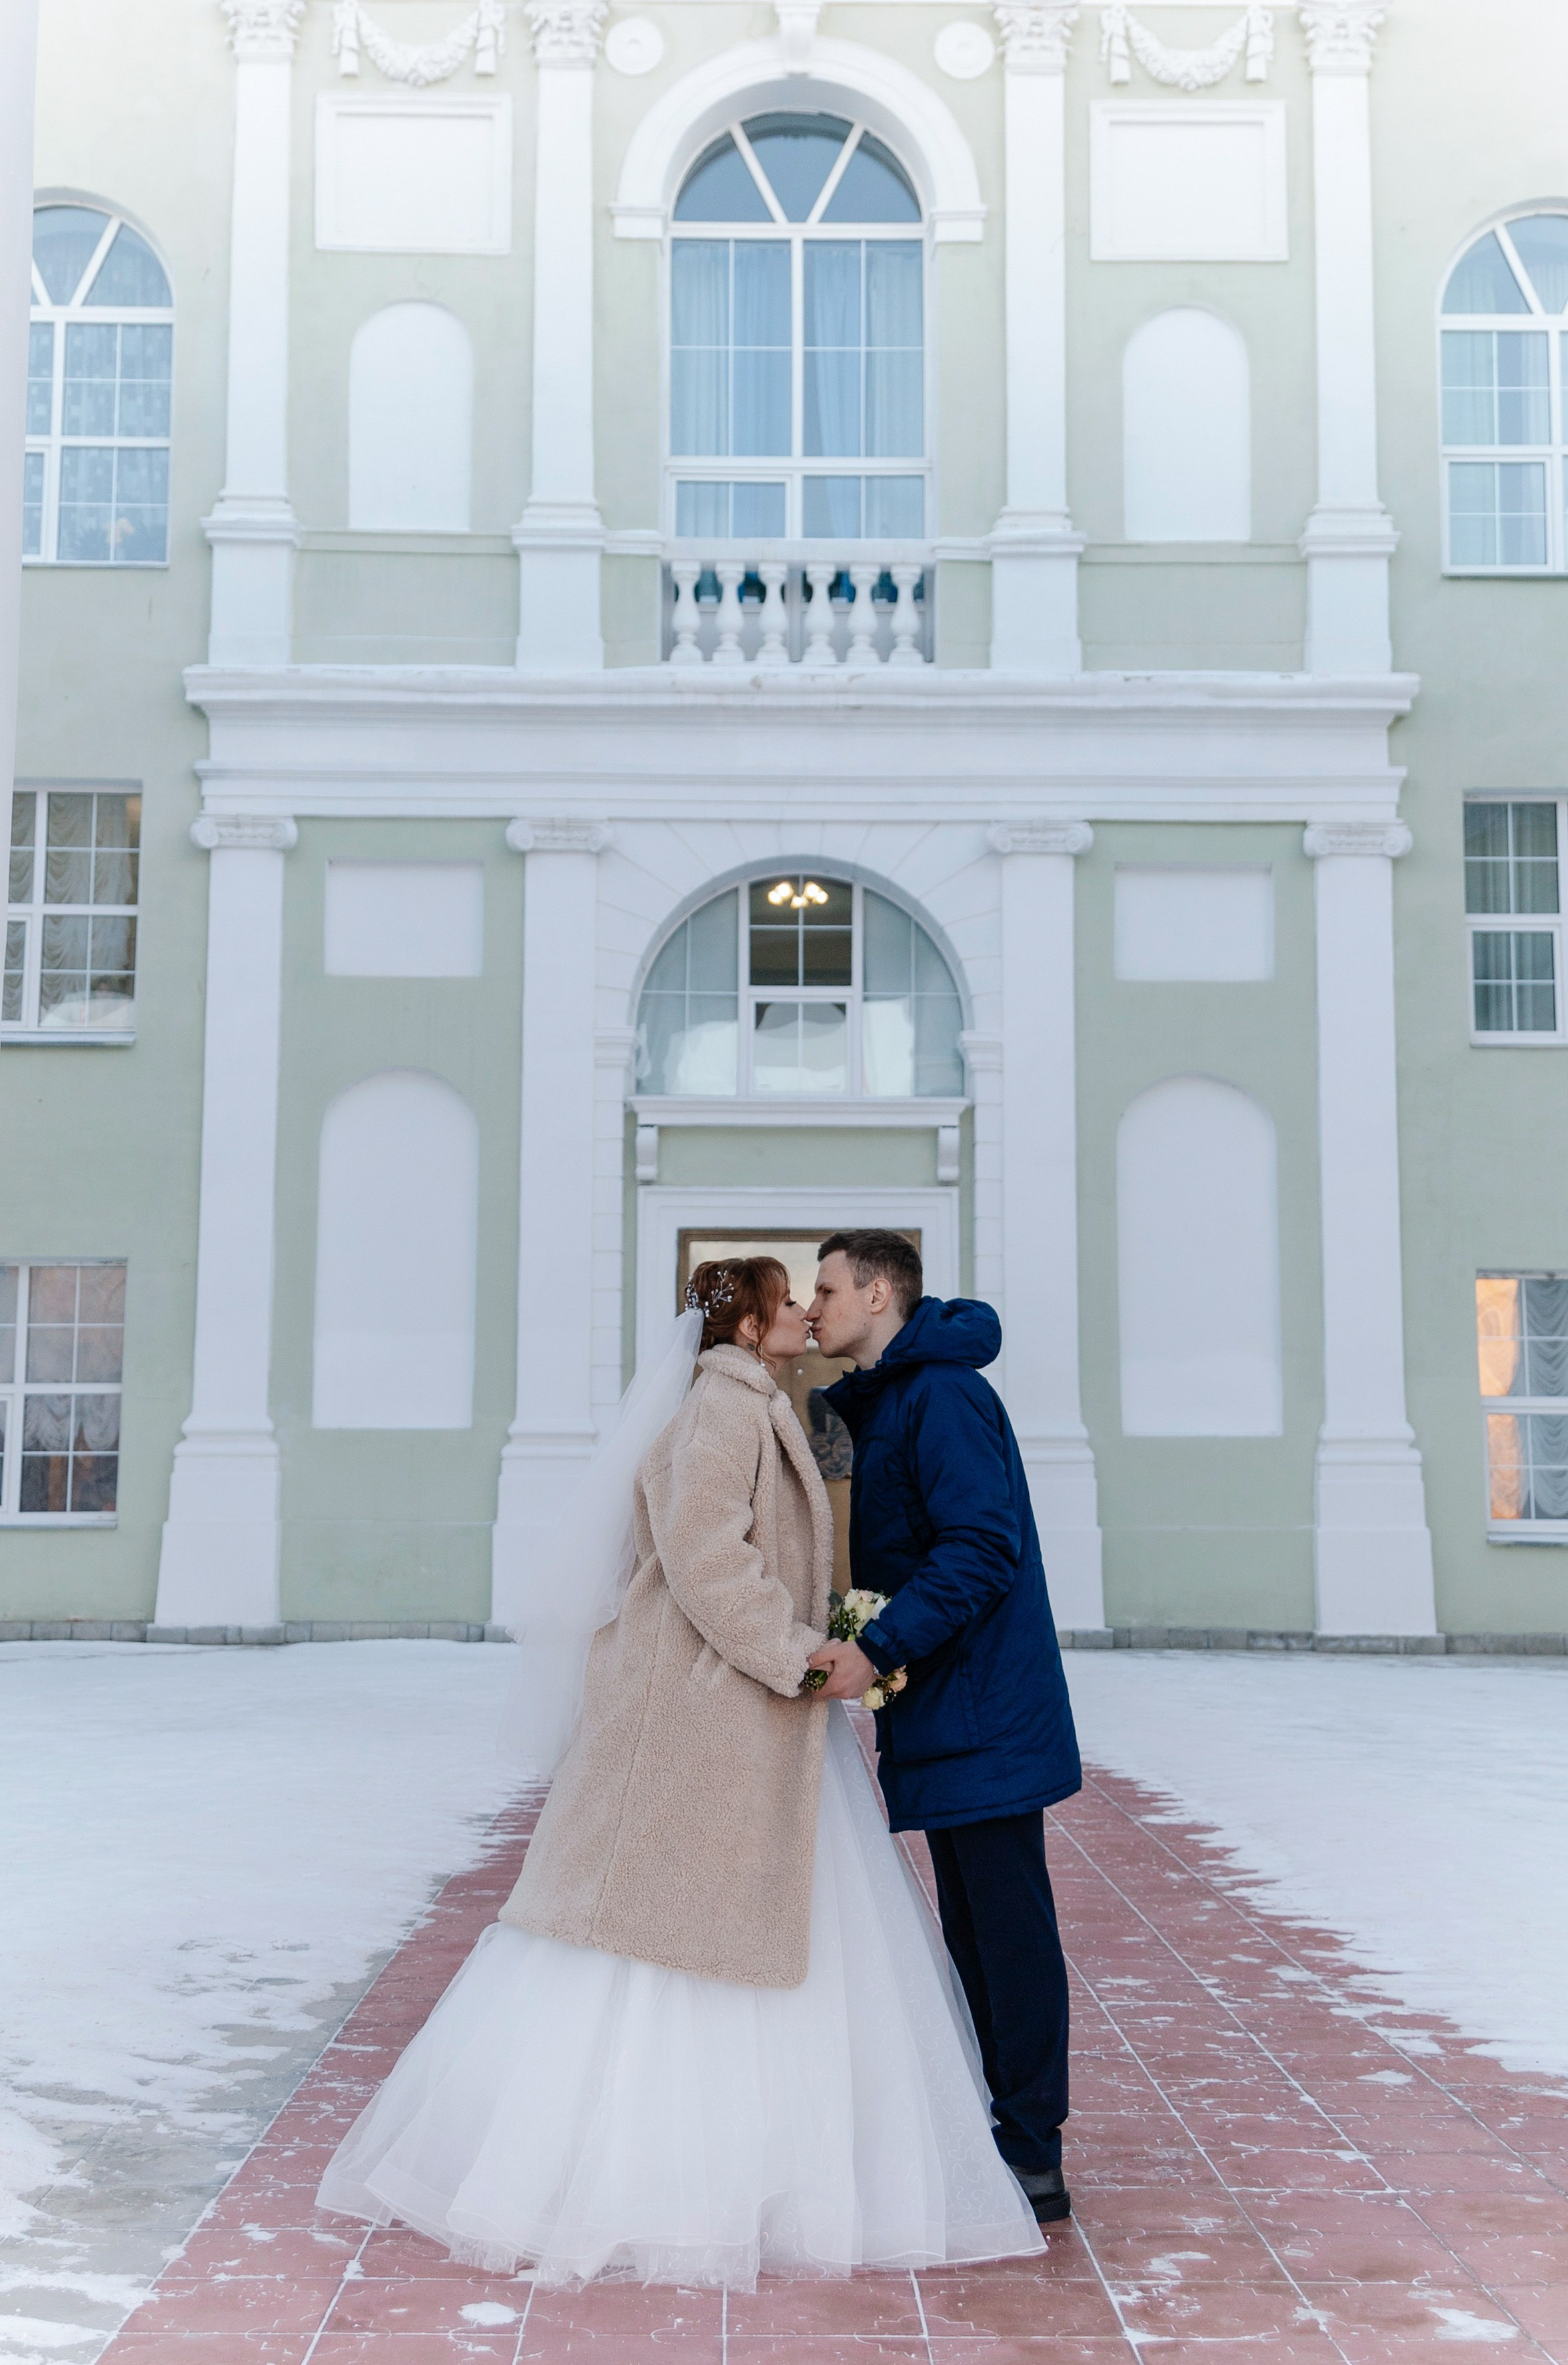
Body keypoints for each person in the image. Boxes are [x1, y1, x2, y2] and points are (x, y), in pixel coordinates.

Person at [316, 1256, 1044, 2288]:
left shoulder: (761, 1400)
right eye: (787, 1297)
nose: (803, 1309)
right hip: (720, 1706)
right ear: (747, 1322)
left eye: (816, 1292)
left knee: (756, 1923)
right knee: (673, 1930)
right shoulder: (722, 1408)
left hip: (755, 1715)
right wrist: (793, 1652)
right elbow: (708, 1558)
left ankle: (773, 2157)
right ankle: (647, 2166)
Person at [806, 1230, 1082, 2227]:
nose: (814, 1305)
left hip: (984, 1709)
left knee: (1006, 1931)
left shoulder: (943, 1397)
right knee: (976, 1924)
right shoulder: (897, 1401)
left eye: (829, 1288)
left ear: (878, 1293)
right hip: (955, 1705)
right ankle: (1006, 2128)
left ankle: (1030, 2149)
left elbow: (977, 1547)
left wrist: (876, 1647)